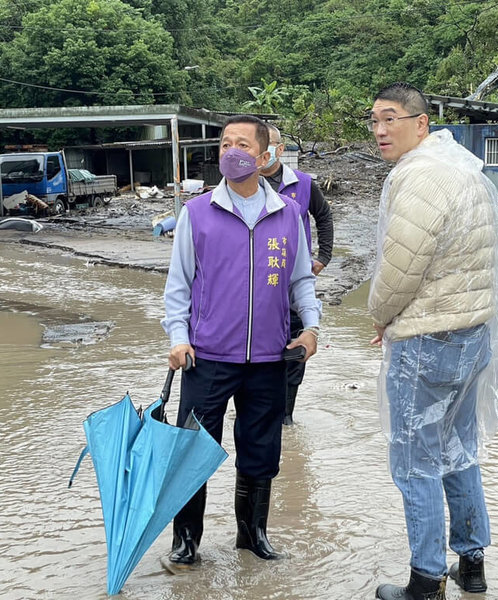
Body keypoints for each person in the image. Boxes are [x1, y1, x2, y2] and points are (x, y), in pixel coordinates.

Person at [160, 115, 322, 570]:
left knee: (261, 449)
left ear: (265, 155)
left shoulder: (288, 215)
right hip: (206, 358)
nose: (232, 151)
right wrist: (178, 338)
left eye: (243, 144)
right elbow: (178, 286)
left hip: (270, 358)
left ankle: (252, 536)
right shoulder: (196, 214)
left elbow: (301, 281)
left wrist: (311, 329)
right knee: (193, 448)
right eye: (225, 143)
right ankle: (186, 540)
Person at [367, 83, 498, 600]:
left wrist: (377, 315)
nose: (380, 130)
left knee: (414, 461)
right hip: (472, 335)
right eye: (374, 120)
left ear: (420, 123)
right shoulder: (464, 167)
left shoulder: (421, 177)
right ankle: (472, 564)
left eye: (391, 119)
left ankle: (425, 581)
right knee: (458, 448)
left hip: (427, 340)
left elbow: (400, 268)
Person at [259, 124, 334, 426]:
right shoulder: (242, 185)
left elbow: (324, 215)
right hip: (258, 286)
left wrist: (323, 257)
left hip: (293, 283)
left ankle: (286, 416)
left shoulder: (302, 184)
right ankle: (259, 407)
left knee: (295, 346)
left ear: (280, 149)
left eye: (269, 144)